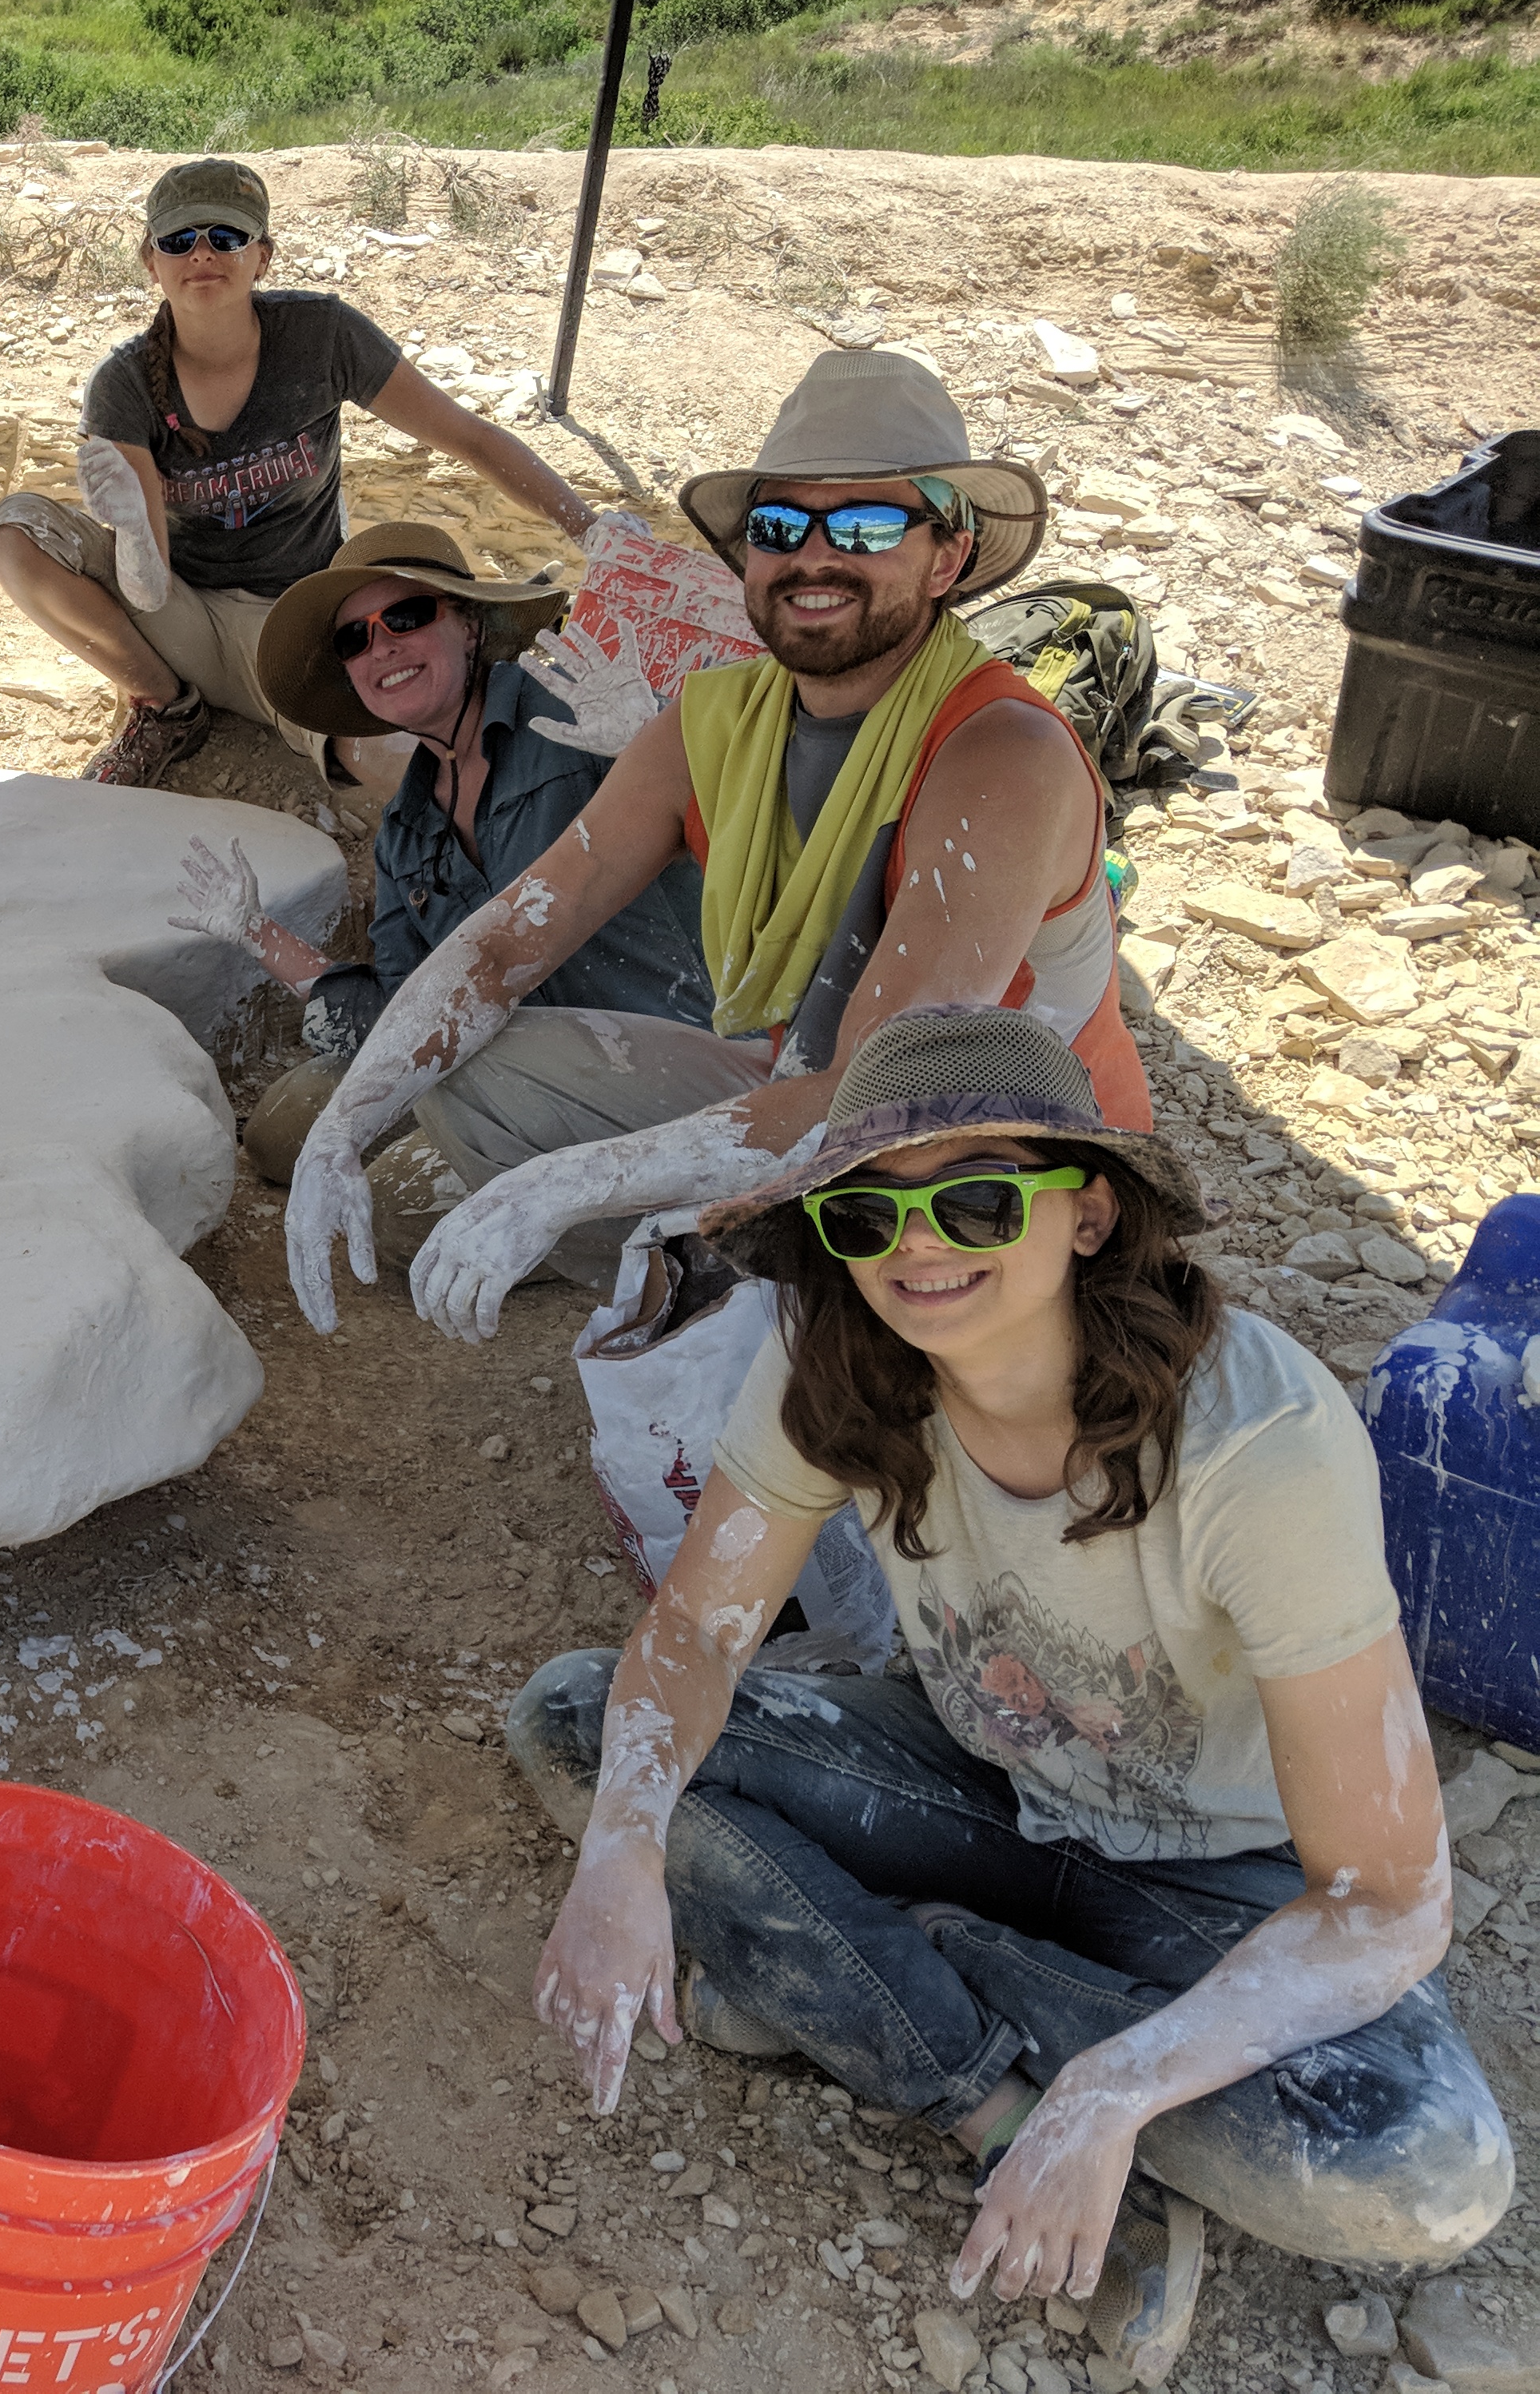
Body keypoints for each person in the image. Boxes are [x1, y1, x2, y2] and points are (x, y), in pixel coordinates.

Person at [508, 1004, 1501, 2388]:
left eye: (975, 1200)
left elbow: (1387, 1897)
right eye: (868, 1215)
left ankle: (872, 1964)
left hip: (1217, 1874)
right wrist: (623, 1849)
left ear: (1088, 1213)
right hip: (977, 1781)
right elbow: (689, 1635)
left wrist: (1116, 2083)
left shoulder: (1253, 1443)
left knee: (1420, 2169)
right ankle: (983, 2096)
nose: (917, 1248)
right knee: (577, 1724)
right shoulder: (839, 1361)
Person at [282, 349, 1128, 1338]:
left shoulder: (1001, 753)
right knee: (458, 1065)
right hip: (796, 1083)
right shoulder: (714, 722)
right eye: (780, 527)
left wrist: (556, 1185)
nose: (815, 558)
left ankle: (779, 1312)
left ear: (946, 558)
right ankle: (718, 1289)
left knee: (851, 1213)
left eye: (865, 525)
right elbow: (506, 942)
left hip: (991, 1156)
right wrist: (341, 1128)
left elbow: (882, 1090)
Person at [0, 157, 605, 792]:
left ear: (263, 257)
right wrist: (133, 530)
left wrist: (593, 530)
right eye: (179, 239)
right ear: (151, 260)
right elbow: (150, 586)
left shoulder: (322, 337)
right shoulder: (125, 383)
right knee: (12, 531)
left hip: (298, 616)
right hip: (181, 613)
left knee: (396, 741)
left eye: (226, 236)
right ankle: (166, 707)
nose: (202, 254)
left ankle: (532, 795)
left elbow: (468, 437)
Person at [166, 522, 710, 1254]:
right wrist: (257, 933)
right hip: (510, 1065)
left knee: (399, 1207)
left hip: (663, 1055)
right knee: (285, 1127)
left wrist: (674, 757)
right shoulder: (406, 827)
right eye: (354, 639)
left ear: (471, 624)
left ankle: (674, 1213)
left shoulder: (581, 712)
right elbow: (404, 1008)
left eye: (407, 615)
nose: (382, 647)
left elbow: (766, 846)